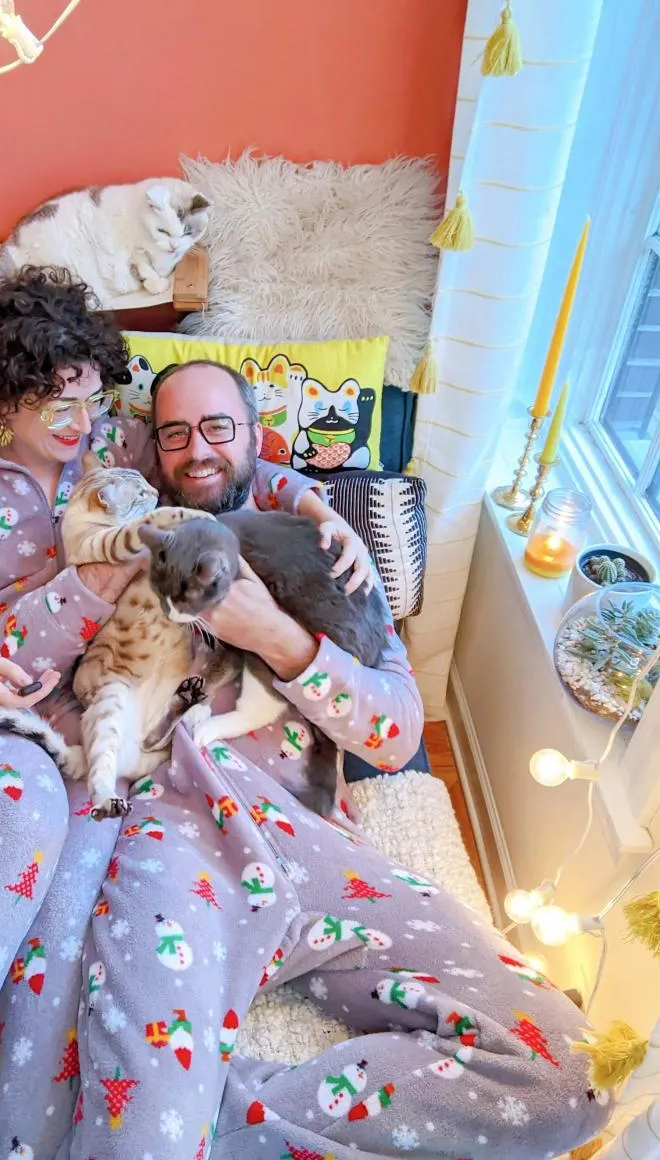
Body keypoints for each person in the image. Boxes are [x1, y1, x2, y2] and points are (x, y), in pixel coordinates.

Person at [0, 268, 366, 1160]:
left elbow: (225, 466)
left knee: (75, 893)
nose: (79, 422)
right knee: (20, 838)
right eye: (54, 402)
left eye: (90, 397)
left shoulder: (111, 451)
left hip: (88, 697)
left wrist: (323, 506)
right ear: (0, 395)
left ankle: (25, 1143)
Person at [68, 363, 613, 1159]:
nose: (197, 451)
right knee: (138, 1135)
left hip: (320, 849)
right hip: (178, 827)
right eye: (175, 433)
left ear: (261, 437)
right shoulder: (131, 541)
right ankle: (177, 1112)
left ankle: (211, 1117)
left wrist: (278, 636)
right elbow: (74, 449)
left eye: (220, 427)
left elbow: (392, 738)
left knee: (577, 1075)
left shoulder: (333, 555)